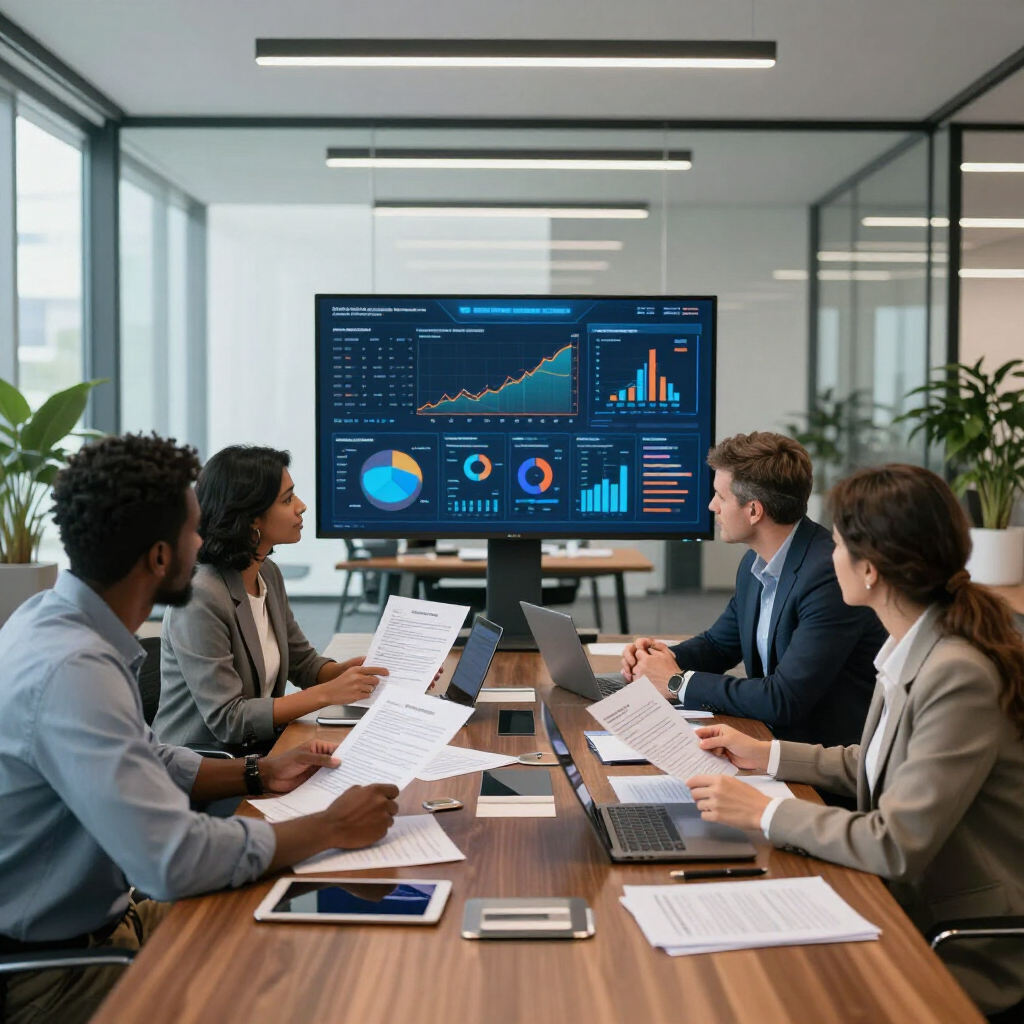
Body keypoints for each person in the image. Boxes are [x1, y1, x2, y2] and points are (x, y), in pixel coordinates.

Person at [0, 434, 399, 1024]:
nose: (204, 542)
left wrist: (259, 772)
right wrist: (329, 827)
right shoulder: (73, 671)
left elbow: (148, 756)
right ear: (161, 558)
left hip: (111, 924)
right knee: (301, 988)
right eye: (193, 532)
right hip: (58, 974)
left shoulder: (57, 626)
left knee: (297, 936)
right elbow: (173, 859)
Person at [687, 464, 1024, 1020]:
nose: (829, 556)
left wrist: (764, 812)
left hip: (958, 937)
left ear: (870, 570)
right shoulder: (912, 647)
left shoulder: (956, 672)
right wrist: (766, 754)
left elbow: (894, 843)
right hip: (903, 897)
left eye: (839, 546)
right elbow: (880, 762)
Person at [621, 431, 885, 748]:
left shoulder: (829, 576)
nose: (712, 506)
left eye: (721, 497)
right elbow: (719, 645)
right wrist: (657, 659)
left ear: (754, 511)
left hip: (818, 760)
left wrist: (677, 681)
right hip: (766, 739)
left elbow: (783, 698)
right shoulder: (755, 563)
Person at [155, 445, 389, 752]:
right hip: (206, 762)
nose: (301, 507)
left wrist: (350, 673)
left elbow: (302, 663)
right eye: (288, 499)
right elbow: (229, 720)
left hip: (258, 751)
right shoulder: (200, 596)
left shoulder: (267, 573)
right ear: (252, 518)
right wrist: (328, 694)